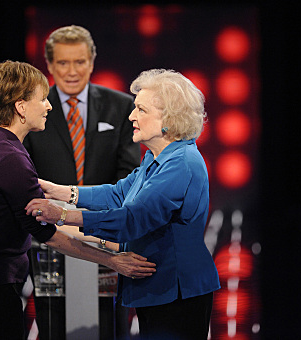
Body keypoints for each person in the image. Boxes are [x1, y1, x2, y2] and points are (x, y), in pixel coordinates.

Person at [0, 60, 155, 340]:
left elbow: (44, 221)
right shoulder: (8, 157)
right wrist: (113, 260)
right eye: (42, 99)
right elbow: (48, 233)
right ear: (20, 107)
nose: (49, 106)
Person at [26, 69, 221, 340]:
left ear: (169, 117)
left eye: (140, 109)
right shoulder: (157, 158)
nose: (131, 116)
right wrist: (62, 192)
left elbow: (132, 219)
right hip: (158, 288)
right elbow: (119, 194)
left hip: (176, 292)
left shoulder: (181, 163)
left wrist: (61, 215)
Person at [22, 25, 141, 339]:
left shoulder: (121, 106)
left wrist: (94, 217)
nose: (72, 71)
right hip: (49, 235)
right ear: (49, 65)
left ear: (92, 62)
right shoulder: (33, 109)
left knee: (109, 324)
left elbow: (129, 174)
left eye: (79, 62)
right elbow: (24, 172)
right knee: (53, 324)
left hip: (105, 232)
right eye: (63, 63)